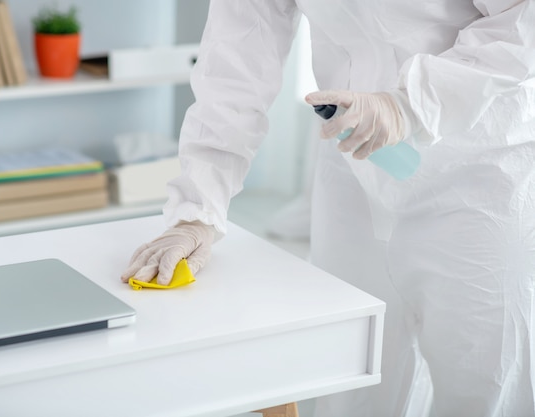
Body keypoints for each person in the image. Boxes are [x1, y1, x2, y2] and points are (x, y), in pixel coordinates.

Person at [121, 1, 535, 416]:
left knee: (482, 389)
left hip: (478, 175)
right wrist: (197, 209)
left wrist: (412, 102)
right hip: (355, 163)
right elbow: (235, 60)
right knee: (349, 379)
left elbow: (523, 19)